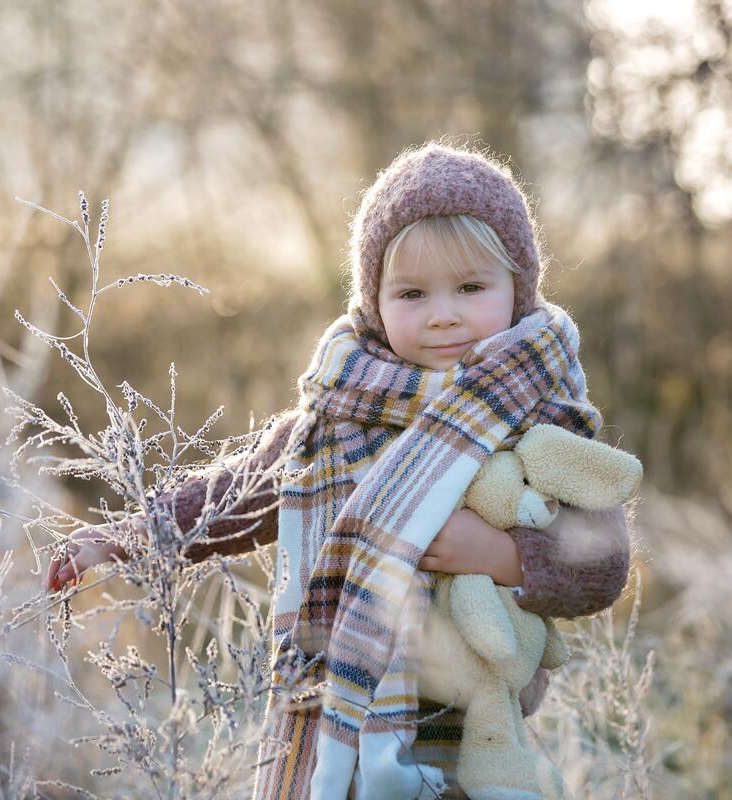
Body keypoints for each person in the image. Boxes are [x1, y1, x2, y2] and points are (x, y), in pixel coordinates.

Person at [46, 143, 633, 799]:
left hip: (472, 741)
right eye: (412, 293)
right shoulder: (336, 421)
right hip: (343, 726)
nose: (443, 312)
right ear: (373, 302)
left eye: (471, 287)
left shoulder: (539, 420)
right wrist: (119, 537)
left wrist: (500, 553)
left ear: (518, 292)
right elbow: (230, 500)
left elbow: (603, 564)